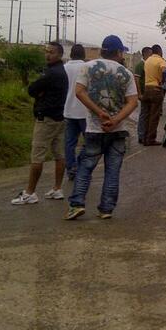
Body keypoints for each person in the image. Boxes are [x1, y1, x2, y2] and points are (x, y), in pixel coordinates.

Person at [66, 35, 138, 220]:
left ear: (102, 51)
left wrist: (99, 112)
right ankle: (106, 208)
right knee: (112, 171)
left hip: (94, 128)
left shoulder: (87, 67)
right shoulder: (126, 73)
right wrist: (115, 120)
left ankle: (77, 204)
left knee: (85, 168)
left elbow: (79, 92)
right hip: (118, 130)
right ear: (119, 52)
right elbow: (132, 102)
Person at [11, 41, 68, 205]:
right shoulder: (61, 71)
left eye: (51, 52)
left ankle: (30, 193)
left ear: (59, 54)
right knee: (59, 155)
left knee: (37, 156)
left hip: (46, 119)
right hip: (59, 117)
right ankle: (57, 189)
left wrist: (40, 93)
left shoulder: (50, 74)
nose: (47, 54)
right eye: (46, 51)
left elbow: (31, 90)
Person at [142, 44, 166, 145]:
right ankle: (150, 139)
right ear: (160, 51)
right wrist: (162, 82)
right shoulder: (160, 60)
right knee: (154, 116)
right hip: (156, 89)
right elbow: (164, 70)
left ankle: (144, 137)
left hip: (146, 89)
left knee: (146, 115)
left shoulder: (147, 61)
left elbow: (163, 64)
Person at [63, 43, 87, 181]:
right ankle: (80, 163)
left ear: (71, 54)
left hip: (68, 111)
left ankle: (71, 168)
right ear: (83, 54)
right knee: (89, 142)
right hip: (84, 111)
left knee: (69, 143)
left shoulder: (64, 68)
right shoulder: (86, 68)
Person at [134, 46, 152, 145]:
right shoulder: (141, 65)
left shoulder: (148, 65)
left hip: (149, 93)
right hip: (144, 94)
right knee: (144, 114)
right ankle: (141, 135)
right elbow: (136, 80)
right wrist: (139, 94)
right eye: (150, 54)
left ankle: (145, 135)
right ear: (145, 54)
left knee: (148, 114)